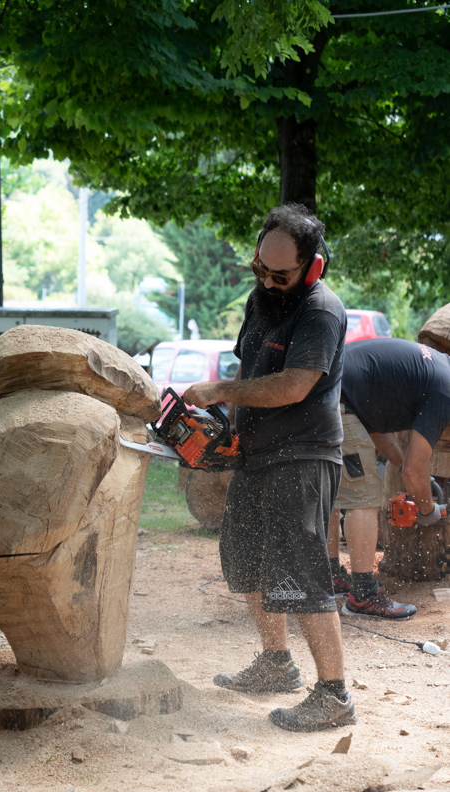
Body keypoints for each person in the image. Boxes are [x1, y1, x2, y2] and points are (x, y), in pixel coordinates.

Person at [182, 203, 356, 733]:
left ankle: (334, 694)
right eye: (261, 269)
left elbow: (294, 384)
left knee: (301, 572)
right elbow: (251, 367)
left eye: (281, 276)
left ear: (313, 268)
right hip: (258, 453)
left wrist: (220, 390)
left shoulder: (321, 311)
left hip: (304, 454)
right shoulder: (262, 301)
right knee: (248, 560)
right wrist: (230, 428)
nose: (269, 281)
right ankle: (276, 663)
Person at [327, 338, 450, 618]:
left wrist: (407, 467)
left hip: (327, 389)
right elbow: (413, 470)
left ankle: (328, 575)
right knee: (364, 499)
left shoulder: (437, 368)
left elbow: (373, 423)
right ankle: (363, 596)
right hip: (335, 398)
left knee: (332, 492)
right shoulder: (446, 393)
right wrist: (428, 510)